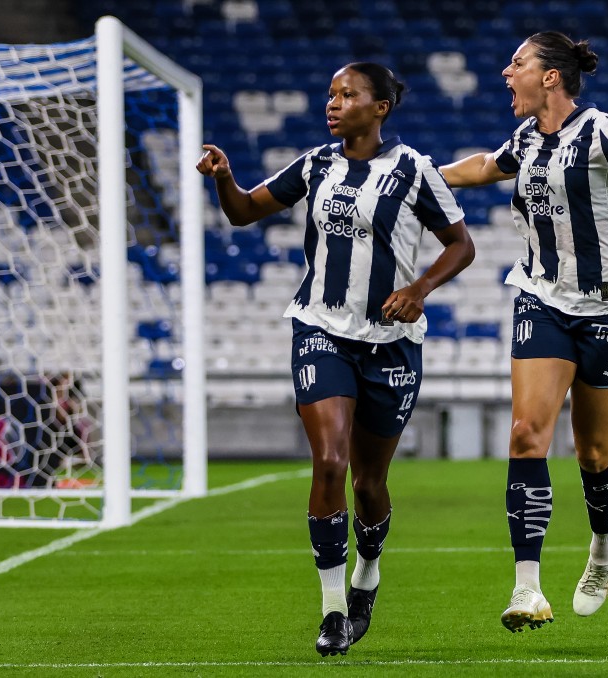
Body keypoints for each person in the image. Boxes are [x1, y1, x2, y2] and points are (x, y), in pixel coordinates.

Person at [197, 62, 474, 657]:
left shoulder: (414, 170)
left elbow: (462, 245)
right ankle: (330, 613)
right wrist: (223, 178)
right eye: (330, 94)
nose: (334, 103)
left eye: (348, 95)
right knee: (330, 462)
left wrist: (419, 289)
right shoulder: (316, 164)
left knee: (370, 481)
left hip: (392, 343)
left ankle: (366, 578)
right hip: (320, 328)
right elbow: (243, 211)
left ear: (380, 108)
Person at [441, 32, 608, 631]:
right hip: (542, 297)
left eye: (517, 64)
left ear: (551, 77)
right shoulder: (526, 139)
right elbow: (488, 164)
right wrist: (428, 177)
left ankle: (603, 544)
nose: (506, 73)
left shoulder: (598, 130)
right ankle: (527, 588)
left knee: (593, 450)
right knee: (527, 432)